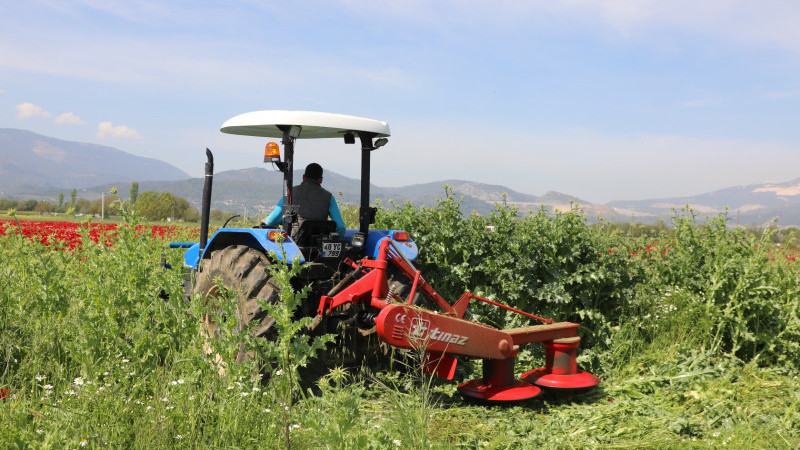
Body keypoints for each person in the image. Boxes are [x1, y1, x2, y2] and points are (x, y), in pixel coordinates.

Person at [263, 163, 346, 237]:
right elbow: (341, 227)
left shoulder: (291, 193)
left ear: (303, 177)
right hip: (320, 243)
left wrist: (265, 221)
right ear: (320, 180)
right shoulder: (329, 197)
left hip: (296, 244)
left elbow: (272, 220)